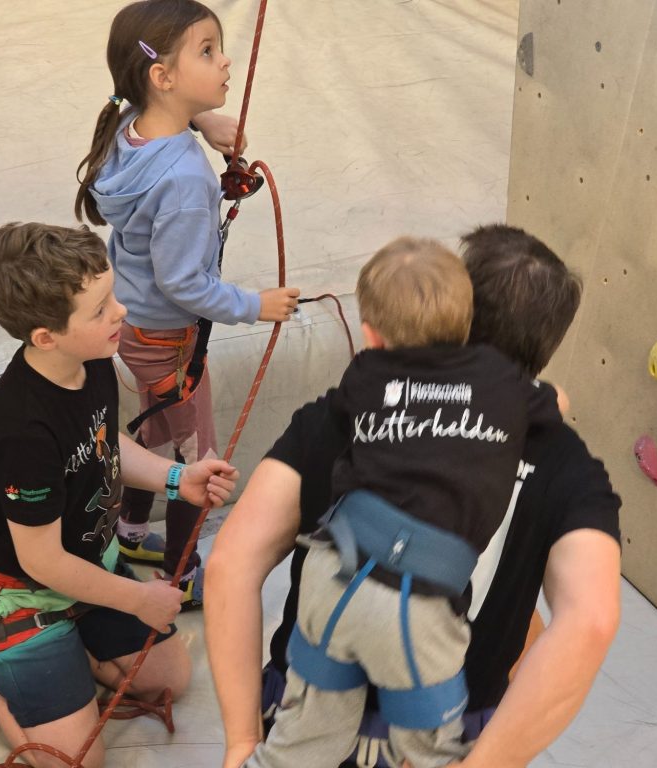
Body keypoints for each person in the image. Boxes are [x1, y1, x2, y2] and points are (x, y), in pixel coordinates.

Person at [205, 224, 621, 768]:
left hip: (307, 702)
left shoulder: (350, 407)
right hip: (436, 734)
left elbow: (229, 565)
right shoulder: (569, 465)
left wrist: (241, 738)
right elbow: (590, 621)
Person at [0, 222, 238, 768]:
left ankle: (72, 644)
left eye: (113, 295)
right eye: (101, 307)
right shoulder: (21, 433)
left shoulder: (93, 359)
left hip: (88, 569)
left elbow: (105, 443)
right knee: (72, 760)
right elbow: (41, 560)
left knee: (169, 680)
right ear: (45, 337)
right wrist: (136, 599)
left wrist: (177, 479)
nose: (122, 312)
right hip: (24, 590)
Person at [74, 0, 300, 600]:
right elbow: (186, 285)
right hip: (172, 342)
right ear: (162, 77)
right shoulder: (185, 181)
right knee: (195, 461)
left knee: (150, 432)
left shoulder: (128, 131)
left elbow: (159, 118)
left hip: (133, 327)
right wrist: (259, 305)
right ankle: (183, 573)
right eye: (208, 50)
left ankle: (126, 530)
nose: (226, 60)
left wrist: (201, 122)